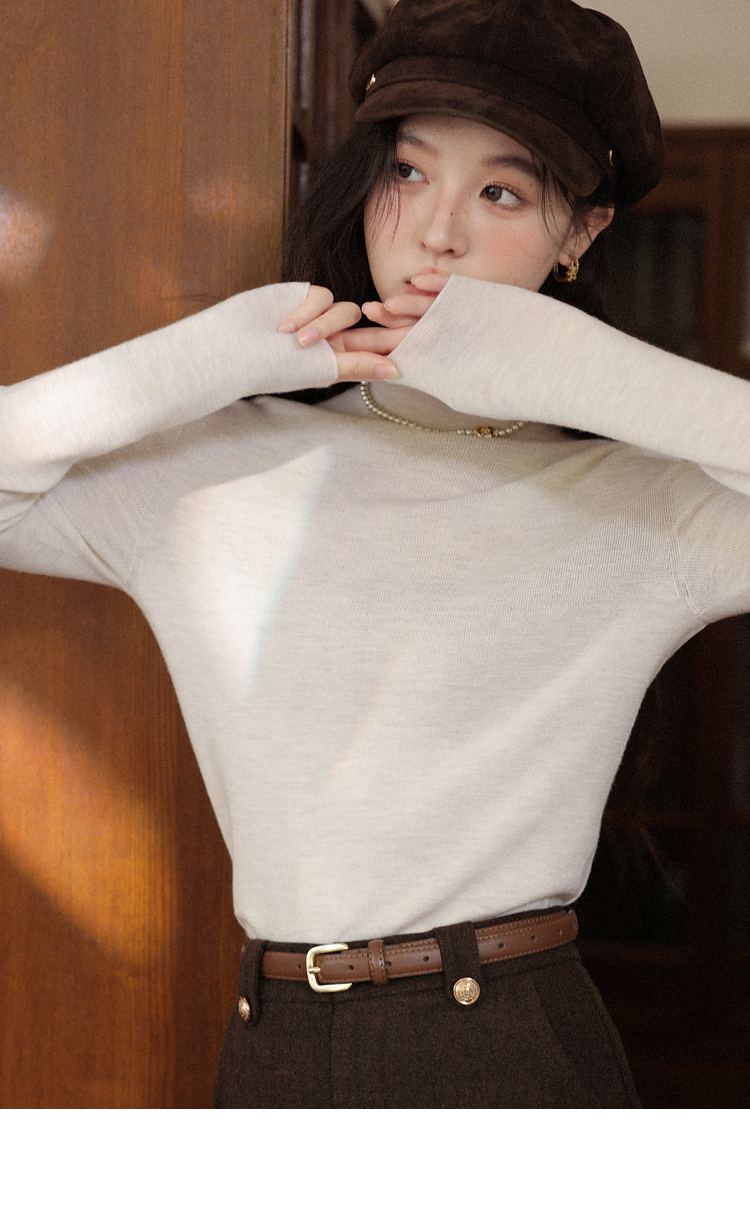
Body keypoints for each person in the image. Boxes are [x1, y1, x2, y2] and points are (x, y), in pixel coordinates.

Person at [1, 0, 748, 1108]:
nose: (437, 232)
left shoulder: (646, 505)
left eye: (501, 192)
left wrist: (577, 372)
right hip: (271, 1043)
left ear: (581, 234)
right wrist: (200, 360)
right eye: (408, 171)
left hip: (505, 1048)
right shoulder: (209, 469)